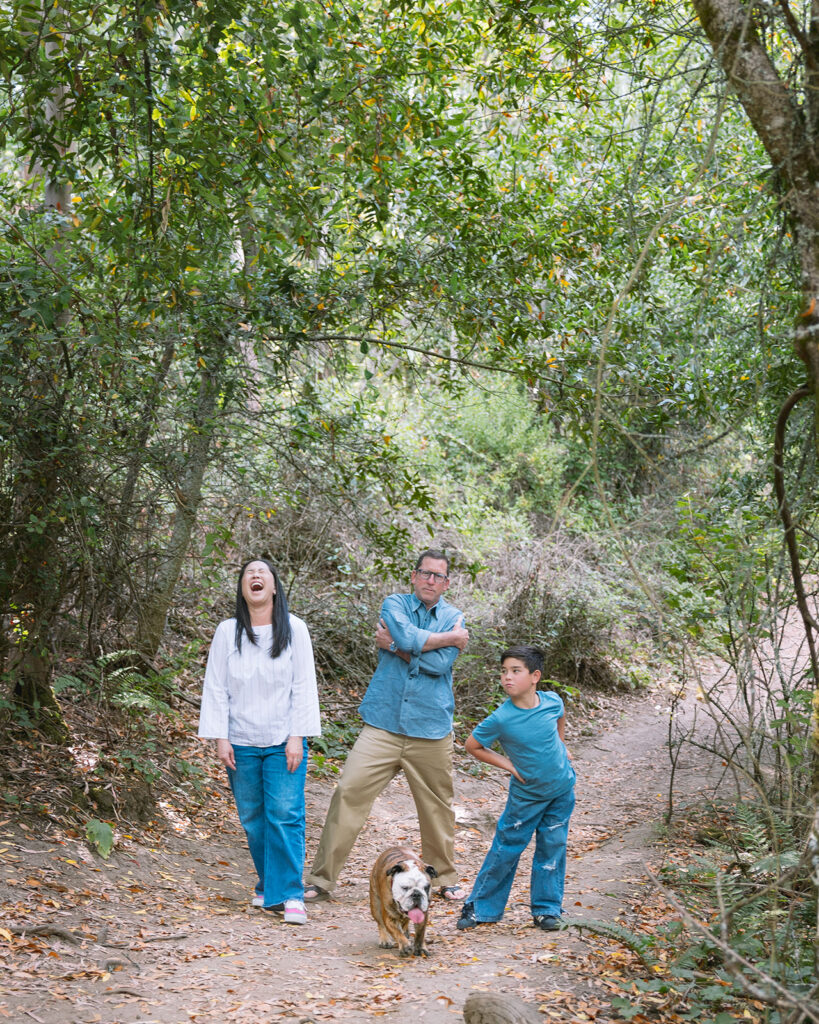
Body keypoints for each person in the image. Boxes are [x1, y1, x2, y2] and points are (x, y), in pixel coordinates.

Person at [304, 549, 469, 902]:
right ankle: (322, 880)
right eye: (425, 573)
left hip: (430, 727)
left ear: (447, 583)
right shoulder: (393, 604)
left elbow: (440, 666)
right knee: (348, 792)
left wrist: (393, 645)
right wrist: (433, 640)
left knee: (437, 806)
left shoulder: (454, 615)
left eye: (438, 576)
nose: (430, 581)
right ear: (414, 576)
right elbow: (411, 641)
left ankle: (443, 879)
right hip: (383, 723)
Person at [198, 558, 321, 925]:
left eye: (262, 573)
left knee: (285, 815)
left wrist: (297, 736)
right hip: (241, 740)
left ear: (274, 586)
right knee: (253, 819)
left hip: (284, 738)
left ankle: (291, 895)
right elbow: (216, 687)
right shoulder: (227, 632)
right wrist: (221, 738)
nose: (255, 576)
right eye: (248, 573)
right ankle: (270, 885)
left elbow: (303, 685)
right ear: (242, 587)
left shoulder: (294, 629)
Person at [456, 644, 575, 932]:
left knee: (553, 848)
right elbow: (472, 745)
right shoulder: (501, 718)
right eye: (504, 672)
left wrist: (562, 746)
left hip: (561, 791)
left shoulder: (552, 701)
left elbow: (559, 718)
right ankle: (479, 908)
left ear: (535, 676)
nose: (507, 677)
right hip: (526, 798)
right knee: (506, 849)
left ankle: (547, 910)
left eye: (515, 671)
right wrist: (509, 765)